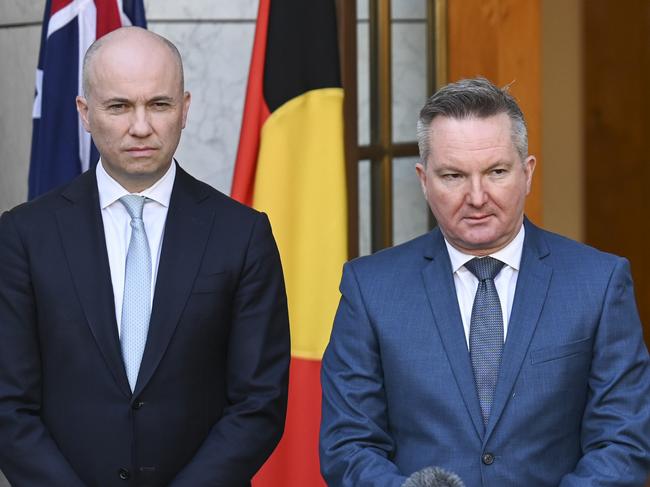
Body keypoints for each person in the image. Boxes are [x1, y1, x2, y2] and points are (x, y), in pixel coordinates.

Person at [320, 77, 650, 486]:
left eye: (496, 171)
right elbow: (349, 445)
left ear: (527, 173)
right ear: (424, 180)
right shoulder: (369, 289)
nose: (476, 197)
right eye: (454, 176)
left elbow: (623, 444)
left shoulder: (599, 284)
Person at [0, 27, 290, 486]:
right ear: (85, 113)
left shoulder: (242, 234)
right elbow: (7, 405)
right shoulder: (23, 235)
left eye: (159, 104)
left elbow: (259, 403)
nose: (141, 126)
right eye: (118, 106)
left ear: (185, 109)